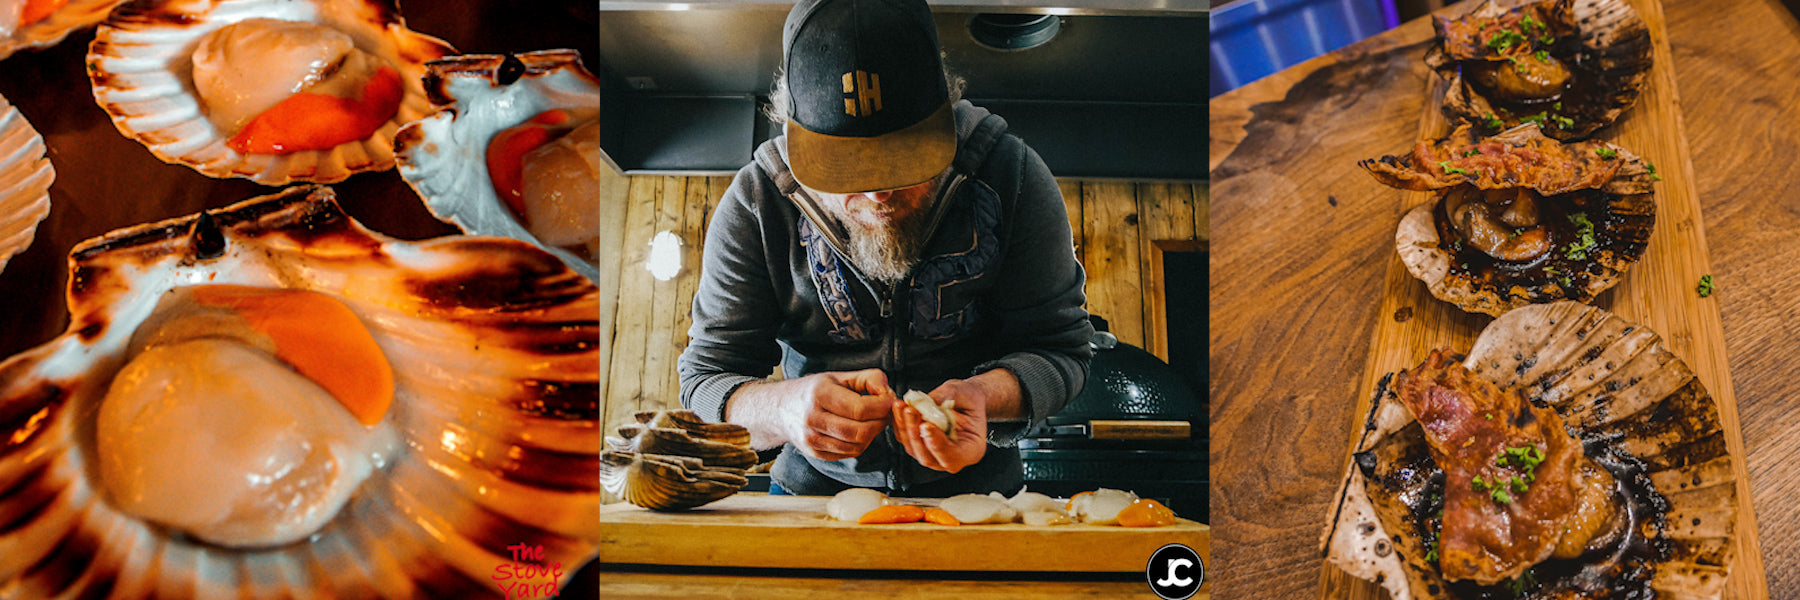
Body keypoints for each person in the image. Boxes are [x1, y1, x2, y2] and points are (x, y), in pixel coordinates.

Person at [677, 0, 1092, 497]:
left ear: (945, 111)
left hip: (979, 500)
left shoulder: (1012, 176)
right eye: (847, 170)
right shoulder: (758, 201)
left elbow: (1062, 352)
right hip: (812, 494)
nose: (878, 196)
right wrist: (781, 410)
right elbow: (706, 379)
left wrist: (985, 395)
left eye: (904, 161)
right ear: (795, 133)